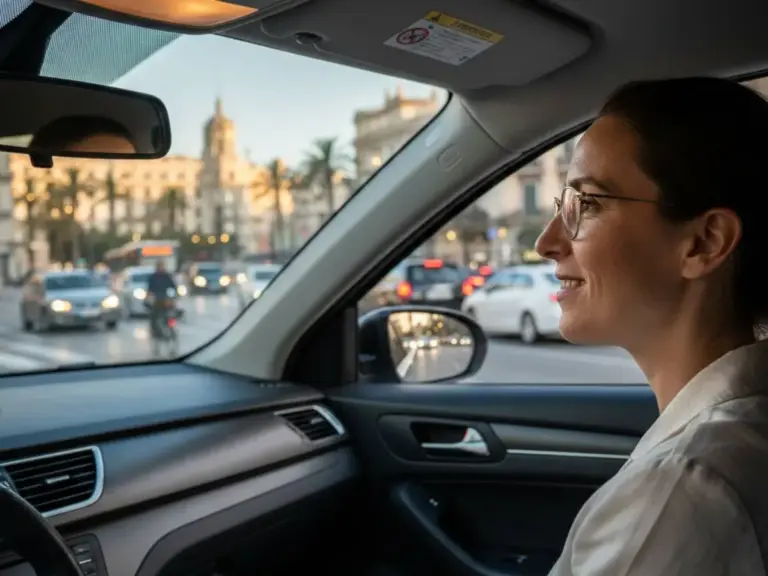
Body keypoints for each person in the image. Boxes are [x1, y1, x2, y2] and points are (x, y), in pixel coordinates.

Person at [535, 77, 768, 574]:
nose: (547, 241)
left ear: (705, 243)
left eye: (588, 204)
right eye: (564, 206)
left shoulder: (679, 490)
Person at [146, 260, 177, 340]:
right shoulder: (153, 277)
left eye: (162, 266)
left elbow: (173, 286)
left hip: (167, 299)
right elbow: (150, 289)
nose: (161, 268)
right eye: (160, 266)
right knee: (153, 315)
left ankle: (171, 327)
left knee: (171, 313)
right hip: (157, 299)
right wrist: (149, 297)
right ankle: (154, 330)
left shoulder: (167, 276)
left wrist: (173, 296)